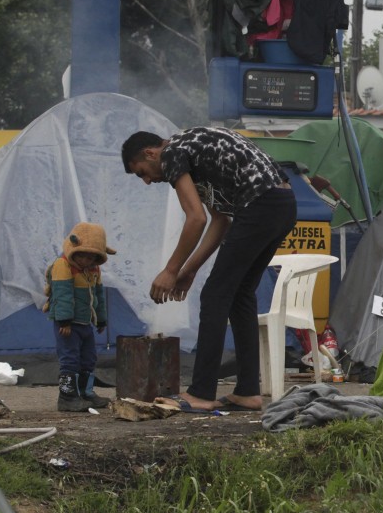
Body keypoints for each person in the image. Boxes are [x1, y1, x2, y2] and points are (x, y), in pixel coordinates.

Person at [121, 127, 297, 413]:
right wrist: (189, 271)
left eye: (142, 172)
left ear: (151, 153)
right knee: (240, 295)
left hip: (260, 204)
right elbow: (219, 221)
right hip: (282, 204)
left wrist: (170, 270)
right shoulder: (194, 151)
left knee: (214, 296)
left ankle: (201, 392)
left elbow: (195, 219)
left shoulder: (173, 153)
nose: (147, 181)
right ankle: (248, 392)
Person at [44, 222, 114, 412]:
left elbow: (98, 294)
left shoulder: (93, 269)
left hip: (84, 323)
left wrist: (100, 319)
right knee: (70, 358)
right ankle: (67, 397)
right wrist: (64, 321)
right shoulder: (63, 265)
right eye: (81, 255)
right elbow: (62, 294)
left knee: (89, 357)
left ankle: (85, 392)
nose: (85, 260)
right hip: (68, 325)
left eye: (91, 256)